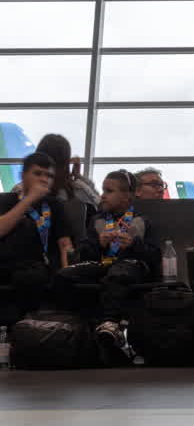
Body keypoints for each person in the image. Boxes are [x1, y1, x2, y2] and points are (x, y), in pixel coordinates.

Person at [54, 170, 159, 363]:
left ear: (126, 196)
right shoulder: (97, 221)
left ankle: (109, 323)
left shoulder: (142, 222)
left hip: (131, 265)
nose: (102, 195)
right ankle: (66, 325)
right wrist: (98, 244)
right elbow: (82, 254)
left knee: (118, 274)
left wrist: (134, 245)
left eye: (109, 191)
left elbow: (155, 256)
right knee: (65, 274)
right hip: (103, 265)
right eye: (103, 190)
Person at [0, 152, 75, 308]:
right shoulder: (6, 200)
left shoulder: (55, 205)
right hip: (5, 262)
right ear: (23, 175)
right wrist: (28, 199)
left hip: (36, 265)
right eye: (37, 173)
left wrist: (69, 272)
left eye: (48, 176)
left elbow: (64, 244)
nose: (43, 179)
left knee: (30, 276)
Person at [11, 134, 100, 208]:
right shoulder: (20, 191)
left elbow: (102, 207)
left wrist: (79, 178)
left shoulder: (77, 189)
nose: (45, 179)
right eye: (38, 173)